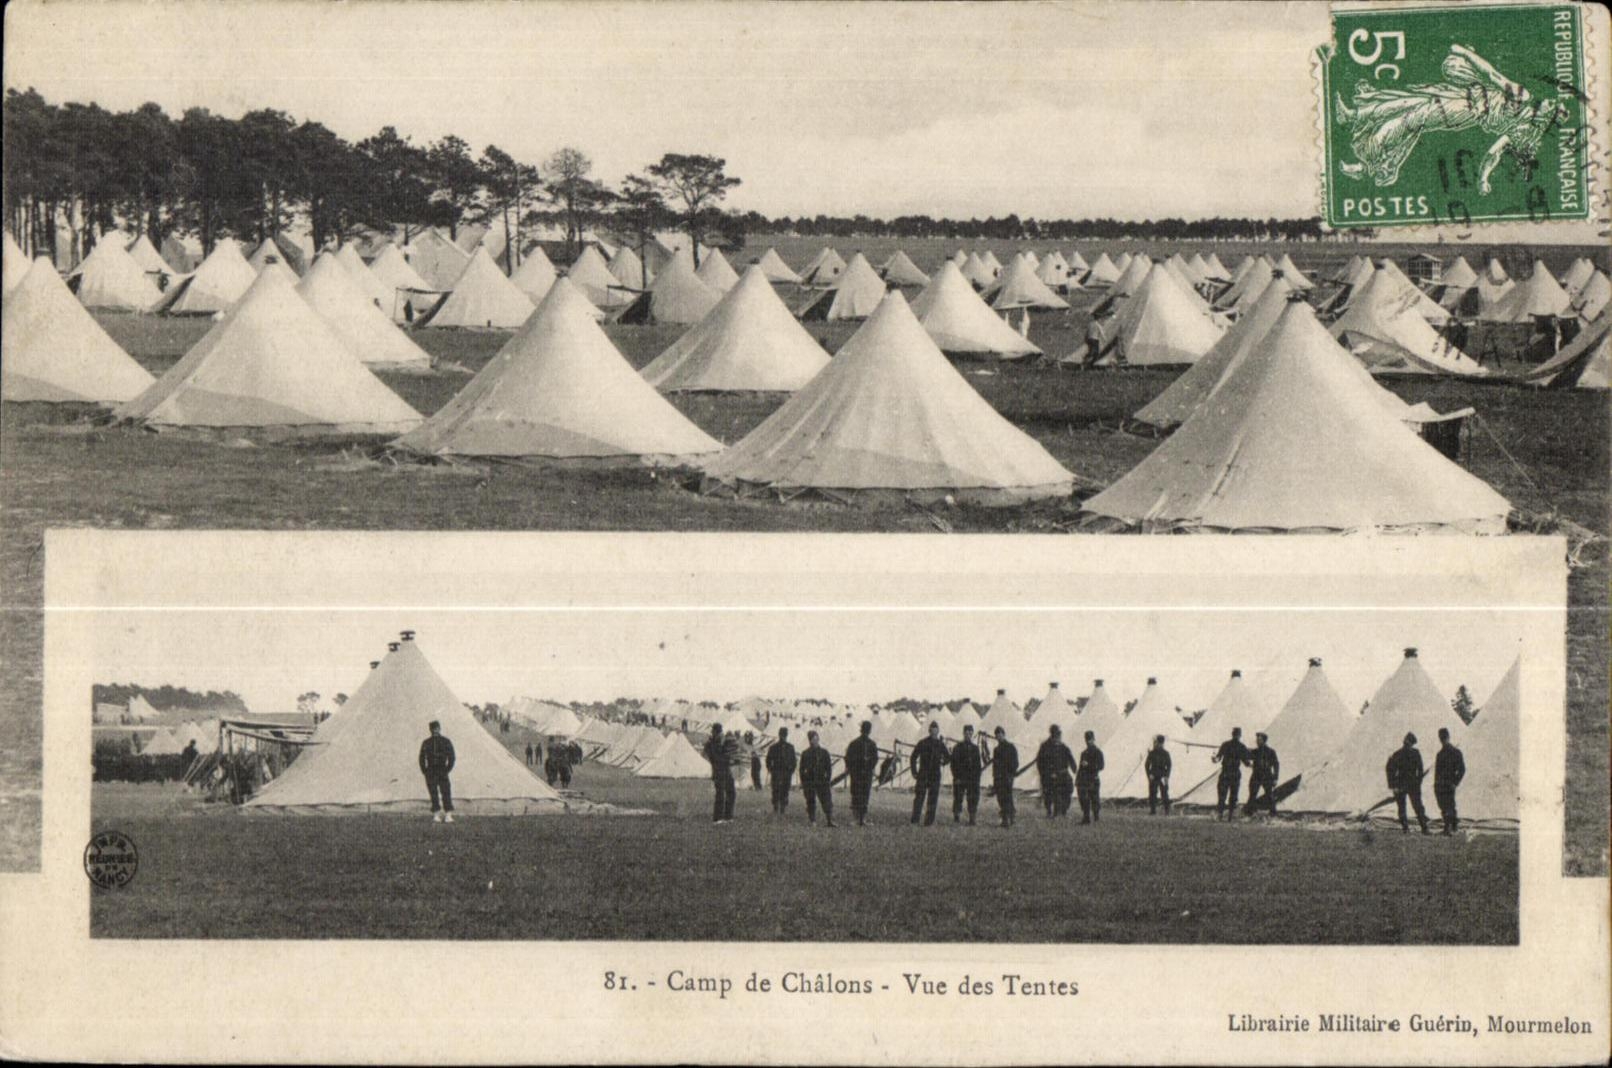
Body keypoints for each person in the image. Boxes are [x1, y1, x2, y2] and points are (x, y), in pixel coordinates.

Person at [1386, 732, 1431, 835]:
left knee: (1417, 807)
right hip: (1403, 784)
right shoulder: (1399, 754)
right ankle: (1406, 828)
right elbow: (1390, 770)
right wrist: (1393, 786)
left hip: (1411, 784)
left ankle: (1423, 828)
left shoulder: (1409, 753)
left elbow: (1420, 769)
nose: (1408, 744)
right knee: (1404, 807)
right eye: (1407, 742)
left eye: (1409, 743)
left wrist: (1418, 782)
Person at [908, 722, 950, 826]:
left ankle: (929, 821)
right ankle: (915, 820)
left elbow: (948, 757)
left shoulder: (940, 744)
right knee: (919, 798)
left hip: (935, 775)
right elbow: (913, 757)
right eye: (932, 730)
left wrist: (942, 762)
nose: (934, 732)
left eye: (935, 730)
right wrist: (914, 772)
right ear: (929, 731)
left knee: (933, 799)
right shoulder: (922, 743)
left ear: (938, 731)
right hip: (923, 774)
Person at [1035, 725, 1077, 818]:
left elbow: (1070, 758)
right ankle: (1050, 811)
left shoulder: (1063, 747)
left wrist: (1074, 768)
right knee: (1050, 794)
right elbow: (1040, 762)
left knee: (1068, 789)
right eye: (1057, 734)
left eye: (1059, 735)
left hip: (1062, 774)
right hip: (1049, 775)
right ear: (1052, 734)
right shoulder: (1045, 747)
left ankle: (1063, 811)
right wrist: (1047, 774)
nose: (1058, 737)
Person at [418, 720, 456, 823]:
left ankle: (448, 814)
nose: (435, 731)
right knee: (433, 793)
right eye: (433, 729)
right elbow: (421, 758)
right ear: (430, 730)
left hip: (442, 769)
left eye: (437, 728)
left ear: (440, 729)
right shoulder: (426, 743)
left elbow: (452, 756)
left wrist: (447, 769)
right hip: (431, 770)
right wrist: (425, 771)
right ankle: (436, 814)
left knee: (446, 792)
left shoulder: (446, 741)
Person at [1212, 726, 1253, 821]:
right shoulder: (1241, 746)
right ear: (1240, 735)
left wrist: (1214, 759)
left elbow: (1218, 758)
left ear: (1232, 734)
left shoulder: (1226, 744)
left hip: (1226, 772)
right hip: (1234, 773)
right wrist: (1252, 765)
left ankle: (1221, 814)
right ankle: (1229, 815)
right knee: (1233, 795)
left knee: (1222, 794)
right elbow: (1246, 761)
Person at [844, 722, 880, 826]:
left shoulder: (871, 744)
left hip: (866, 773)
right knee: (857, 794)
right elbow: (848, 758)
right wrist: (855, 766)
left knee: (864, 795)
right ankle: (856, 818)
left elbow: (875, 759)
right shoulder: (855, 743)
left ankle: (862, 818)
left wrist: (869, 765)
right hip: (857, 773)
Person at [1433, 726, 1466, 835]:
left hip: (1448, 784)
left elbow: (1462, 769)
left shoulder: (1455, 752)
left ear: (1448, 737)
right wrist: (1436, 784)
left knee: (1449, 806)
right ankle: (1452, 826)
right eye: (1441, 738)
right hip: (1441, 784)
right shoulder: (1440, 754)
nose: (1442, 740)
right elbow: (1437, 771)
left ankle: (1449, 828)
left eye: (1443, 738)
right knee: (1444, 806)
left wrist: (1455, 783)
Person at [798, 730, 835, 827]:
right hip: (810, 780)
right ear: (809, 740)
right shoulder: (805, 753)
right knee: (810, 801)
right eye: (812, 739)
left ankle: (829, 820)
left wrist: (827, 779)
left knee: (827, 800)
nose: (814, 741)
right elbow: (801, 769)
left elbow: (828, 768)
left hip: (822, 780)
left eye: (816, 738)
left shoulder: (824, 752)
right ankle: (812, 820)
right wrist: (804, 781)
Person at [704, 723, 738, 824]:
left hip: (725, 770)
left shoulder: (717, 743)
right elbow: (716, 757)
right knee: (721, 794)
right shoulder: (712, 744)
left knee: (730, 793)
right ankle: (719, 817)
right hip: (719, 771)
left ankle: (727, 816)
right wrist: (728, 759)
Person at [950, 724, 983, 825]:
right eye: (966, 733)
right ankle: (956, 816)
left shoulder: (975, 748)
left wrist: (977, 778)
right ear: (963, 733)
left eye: (970, 733)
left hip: (972, 778)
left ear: (972, 734)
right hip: (960, 777)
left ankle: (972, 818)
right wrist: (956, 777)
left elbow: (978, 765)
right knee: (958, 797)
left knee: (973, 798)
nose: (968, 735)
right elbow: (953, 764)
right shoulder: (957, 747)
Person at [988, 726, 1020, 827]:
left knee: (1007, 797)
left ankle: (1009, 818)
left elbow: (1015, 762)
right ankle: (1007, 817)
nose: (999, 736)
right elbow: (995, 765)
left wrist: (1011, 773)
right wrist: (994, 777)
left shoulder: (1011, 747)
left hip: (1007, 777)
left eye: (1000, 734)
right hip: (998, 777)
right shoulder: (996, 750)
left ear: (1004, 734)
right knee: (1000, 798)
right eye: (997, 735)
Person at [1246, 732, 1280, 816]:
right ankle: (1249, 812)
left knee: (1269, 795)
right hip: (1256, 775)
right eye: (1257, 740)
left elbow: (1276, 764)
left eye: (1259, 740)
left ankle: (1273, 813)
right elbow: (1246, 756)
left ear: (1264, 741)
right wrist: (1243, 751)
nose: (1257, 741)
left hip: (1267, 775)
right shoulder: (1255, 751)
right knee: (1252, 794)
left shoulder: (1271, 752)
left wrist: (1275, 778)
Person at [765, 728, 798, 815]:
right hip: (776, 772)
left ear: (786, 736)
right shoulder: (773, 747)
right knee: (775, 789)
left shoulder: (790, 747)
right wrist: (771, 769)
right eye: (782, 735)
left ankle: (783, 807)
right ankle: (775, 807)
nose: (783, 737)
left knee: (785, 789)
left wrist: (791, 770)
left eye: (784, 735)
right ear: (779, 735)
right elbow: (768, 760)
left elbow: (794, 761)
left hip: (786, 772)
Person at [1075, 730, 1104, 824]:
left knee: (1095, 799)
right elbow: (1080, 768)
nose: (1088, 741)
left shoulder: (1098, 752)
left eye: (1090, 739)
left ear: (1093, 739)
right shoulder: (1084, 753)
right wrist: (1077, 779)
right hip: (1084, 779)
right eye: (1087, 739)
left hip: (1093, 778)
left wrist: (1089, 765)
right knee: (1084, 799)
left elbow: (1101, 766)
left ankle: (1096, 818)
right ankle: (1086, 818)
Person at [1144, 735, 1172, 815]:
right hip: (1154, 775)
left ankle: (1167, 811)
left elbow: (1169, 765)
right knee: (1153, 793)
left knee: (1164, 793)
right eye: (1158, 743)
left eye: (1161, 743)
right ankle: (1153, 810)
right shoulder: (1152, 753)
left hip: (1163, 775)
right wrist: (1149, 775)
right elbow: (1147, 765)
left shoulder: (1166, 753)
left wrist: (1167, 776)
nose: (1159, 745)